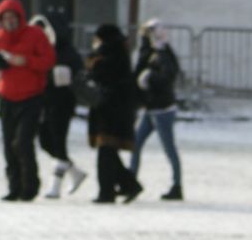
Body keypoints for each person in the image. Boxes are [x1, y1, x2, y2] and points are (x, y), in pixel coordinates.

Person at [0, 0, 55, 202]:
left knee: (22, 142)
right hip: (7, 96)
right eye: (5, 18)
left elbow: (48, 60)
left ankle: (30, 186)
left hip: (31, 96)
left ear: (20, 17)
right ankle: (14, 186)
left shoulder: (35, 35)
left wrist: (27, 61)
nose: (10, 21)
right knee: (8, 144)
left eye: (13, 17)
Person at [85, 24, 141, 204]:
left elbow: (99, 73)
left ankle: (107, 191)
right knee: (108, 152)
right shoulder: (118, 53)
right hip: (113, 111)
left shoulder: (110, 54)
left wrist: (93, 61)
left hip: (110, 111)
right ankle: (128, 184)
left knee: (106, 152)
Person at [33, 11, 87, 199]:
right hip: (43, 100)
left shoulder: (65, 50)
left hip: (62, 100)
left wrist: (67, 75)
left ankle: (56, 185)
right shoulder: (37, 49)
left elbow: (79, 70)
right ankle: (75, 172)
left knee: (58, 140)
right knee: (45, 141)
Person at [131, 19, 185, 201]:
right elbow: (141, 64)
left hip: (162, 109)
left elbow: (168, 75)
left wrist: (150, 77)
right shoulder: (152, 52)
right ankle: (130, 182)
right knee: (135, 145)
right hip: (151, 108)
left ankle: (177, 186)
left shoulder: (165, 53)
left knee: (169, 149)